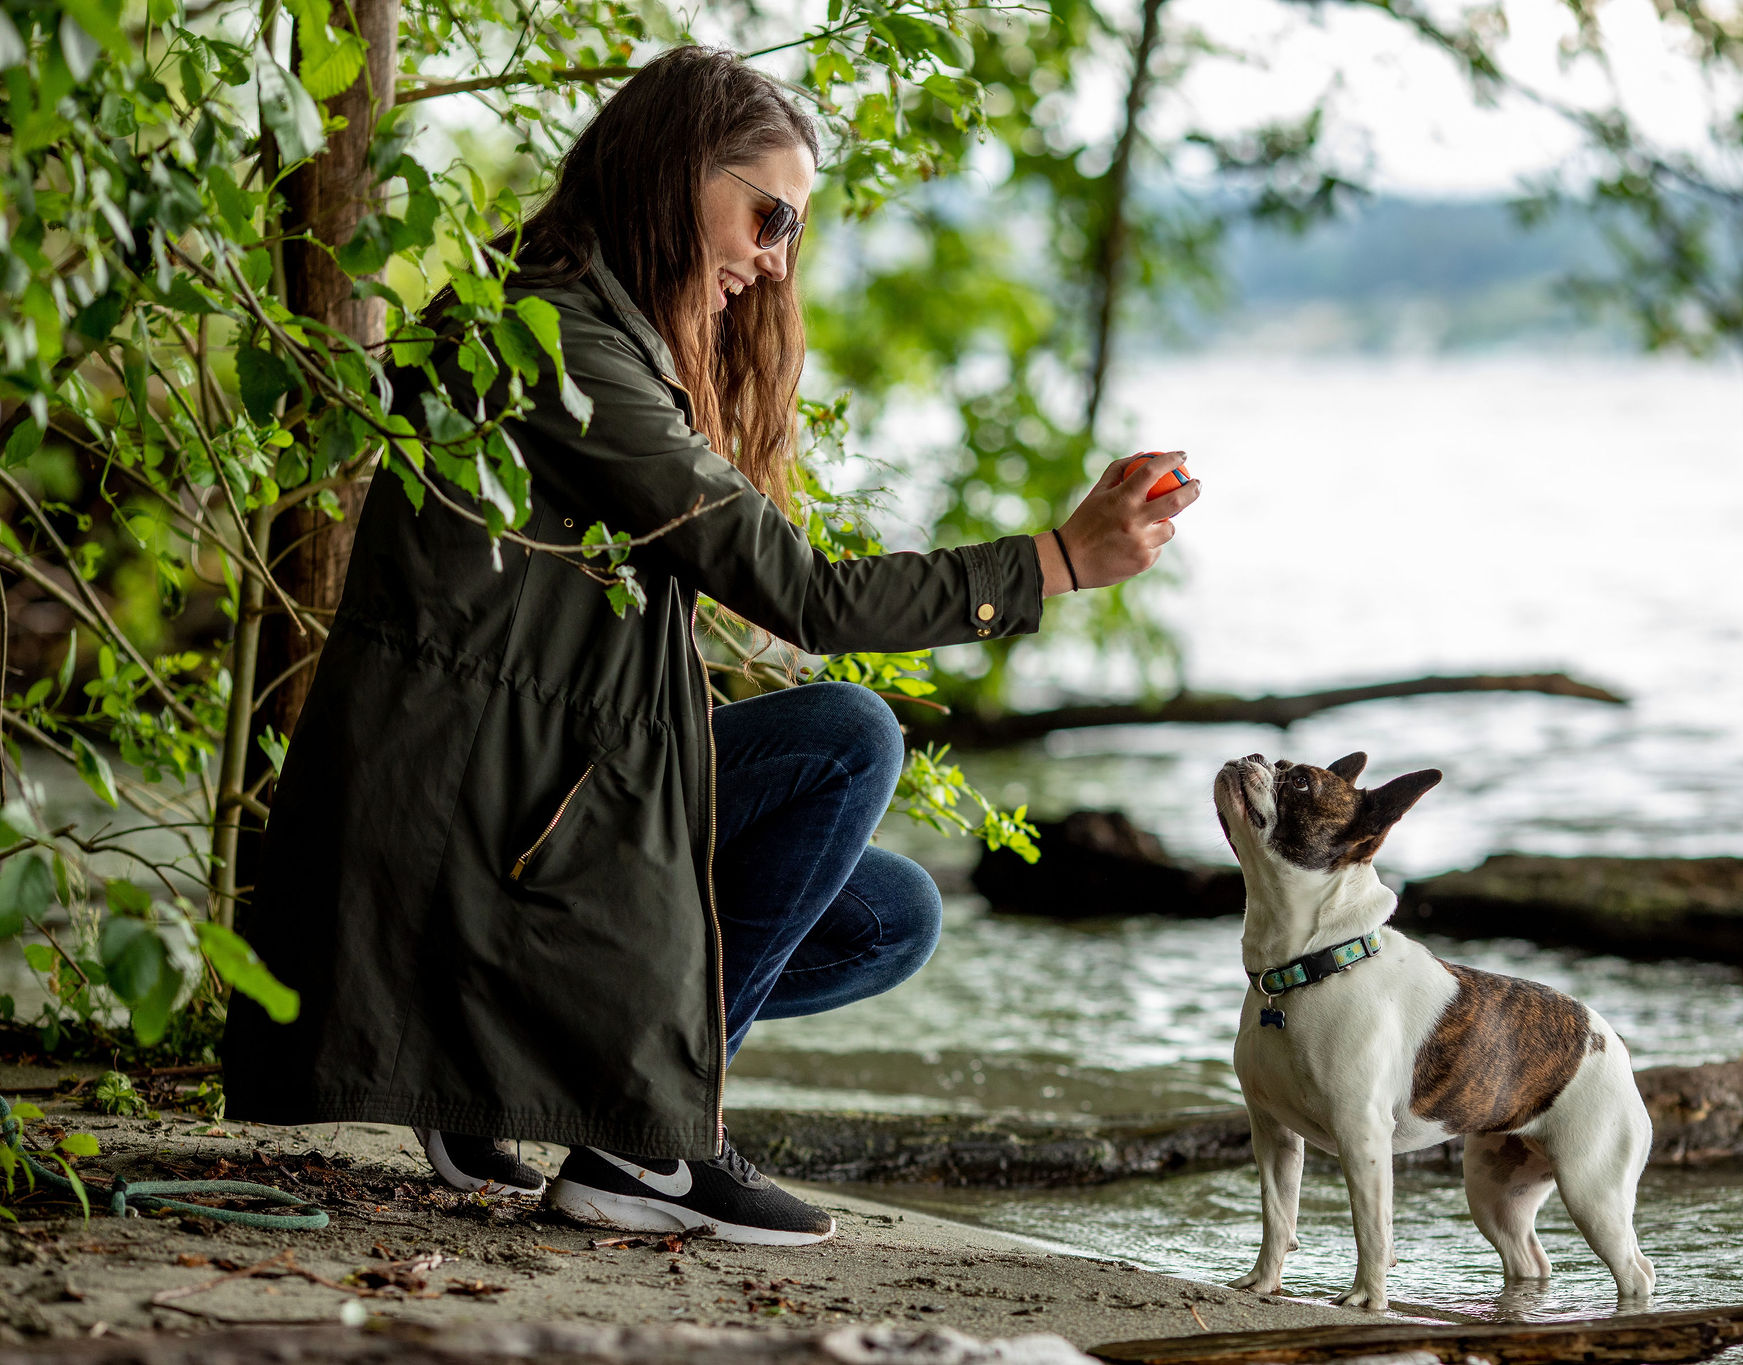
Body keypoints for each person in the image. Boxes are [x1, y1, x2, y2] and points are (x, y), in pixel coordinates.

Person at [222, 45, 1198, 1246]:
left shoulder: (584, 325)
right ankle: (646, 1149)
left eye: (791, 229)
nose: (773, 257)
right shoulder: (559, 346)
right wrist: (1051, 562)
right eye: (767, 215)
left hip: (507, 803)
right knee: (849, 736)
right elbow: (811, 600)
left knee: (886, 913)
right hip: (473, 830)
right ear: (679, 173)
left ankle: (497, 1084)